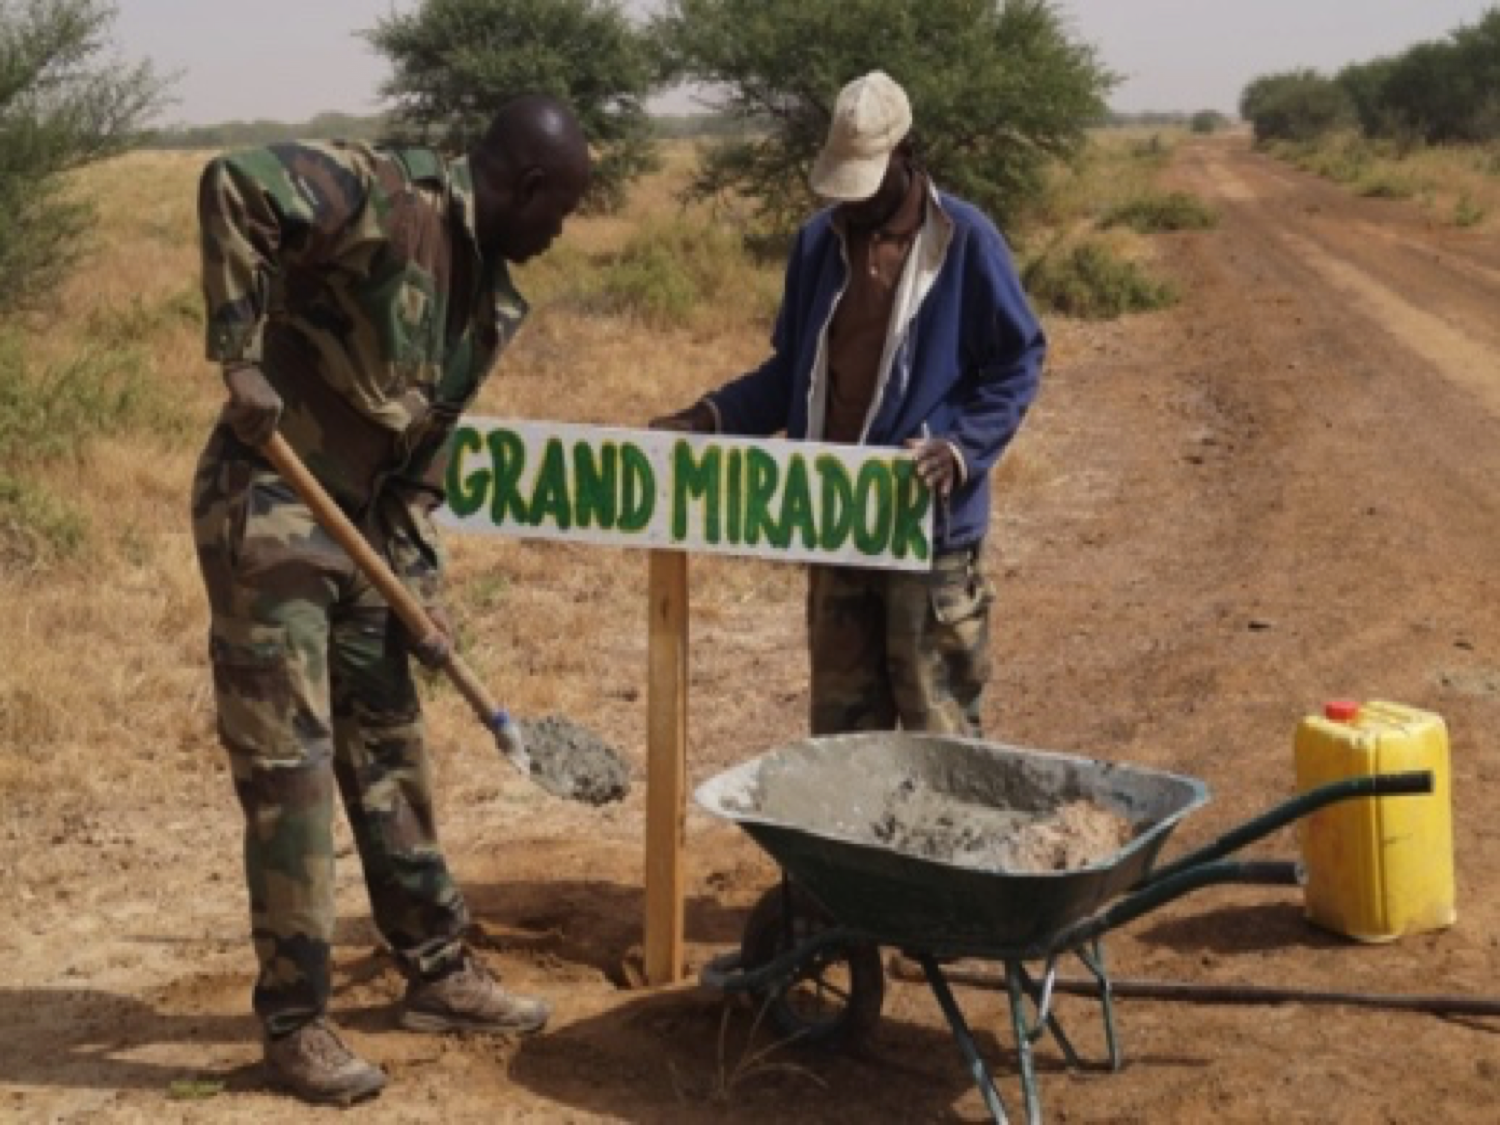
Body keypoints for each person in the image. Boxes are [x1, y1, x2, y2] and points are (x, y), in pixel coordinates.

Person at [191, 95, 591, 1106]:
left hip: (361, 530)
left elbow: (421, 465)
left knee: (390, 744)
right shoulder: (384, 194)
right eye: (563, 211)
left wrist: (416, 586)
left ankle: (438, 969)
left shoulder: (491, 305)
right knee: (292, 768)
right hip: (274, 508)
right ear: (528, 185)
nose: (563, 232)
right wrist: (238, 354)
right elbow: (233, 185)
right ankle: (294, 1026)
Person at [653, 71, 1045, 737]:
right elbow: (790, 377)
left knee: (941, 740)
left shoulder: (965, 241)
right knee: (842, 743)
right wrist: (710, 417)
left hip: (929, 534)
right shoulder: (817, 244)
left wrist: (962, 447)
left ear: (907, 157)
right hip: (837, 524)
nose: (852, 203)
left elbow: (1018, 360)